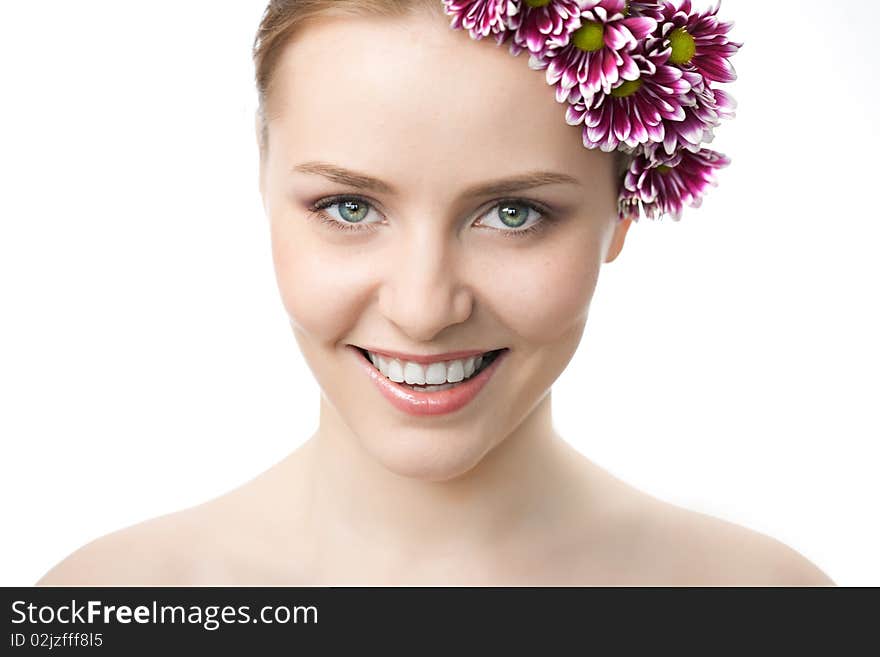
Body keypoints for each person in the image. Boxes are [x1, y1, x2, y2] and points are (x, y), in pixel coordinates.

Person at [38, 0, 834, 585]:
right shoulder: (101, 604)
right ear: (262, 172)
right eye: (348, 207)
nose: (423, 308)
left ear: (624, 209)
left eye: (512, 213)